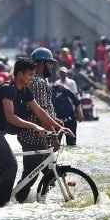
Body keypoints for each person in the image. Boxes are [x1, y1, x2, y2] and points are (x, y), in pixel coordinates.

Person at [0, 58, 64, 208]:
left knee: (5, 168)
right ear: (19, 74)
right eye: (30, 74)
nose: (32, 77)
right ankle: (2, 204)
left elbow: (39, 110)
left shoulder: (24, 90)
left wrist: (57, 126)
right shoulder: (8, 89)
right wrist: (35, 127)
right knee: (11, 165)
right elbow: (11, 117)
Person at [15, 50, 68, 203]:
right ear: (42, 63)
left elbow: (40, 110)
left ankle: (44, 202)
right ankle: (15, 204)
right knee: (30, 177)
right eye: (50, 63)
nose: (52, 66)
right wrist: (54, 136)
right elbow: (40, 112)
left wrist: (54, 120)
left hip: (37, 135)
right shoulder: (38, 82)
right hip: (34, 137)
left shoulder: (36, 81)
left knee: (51, 173)